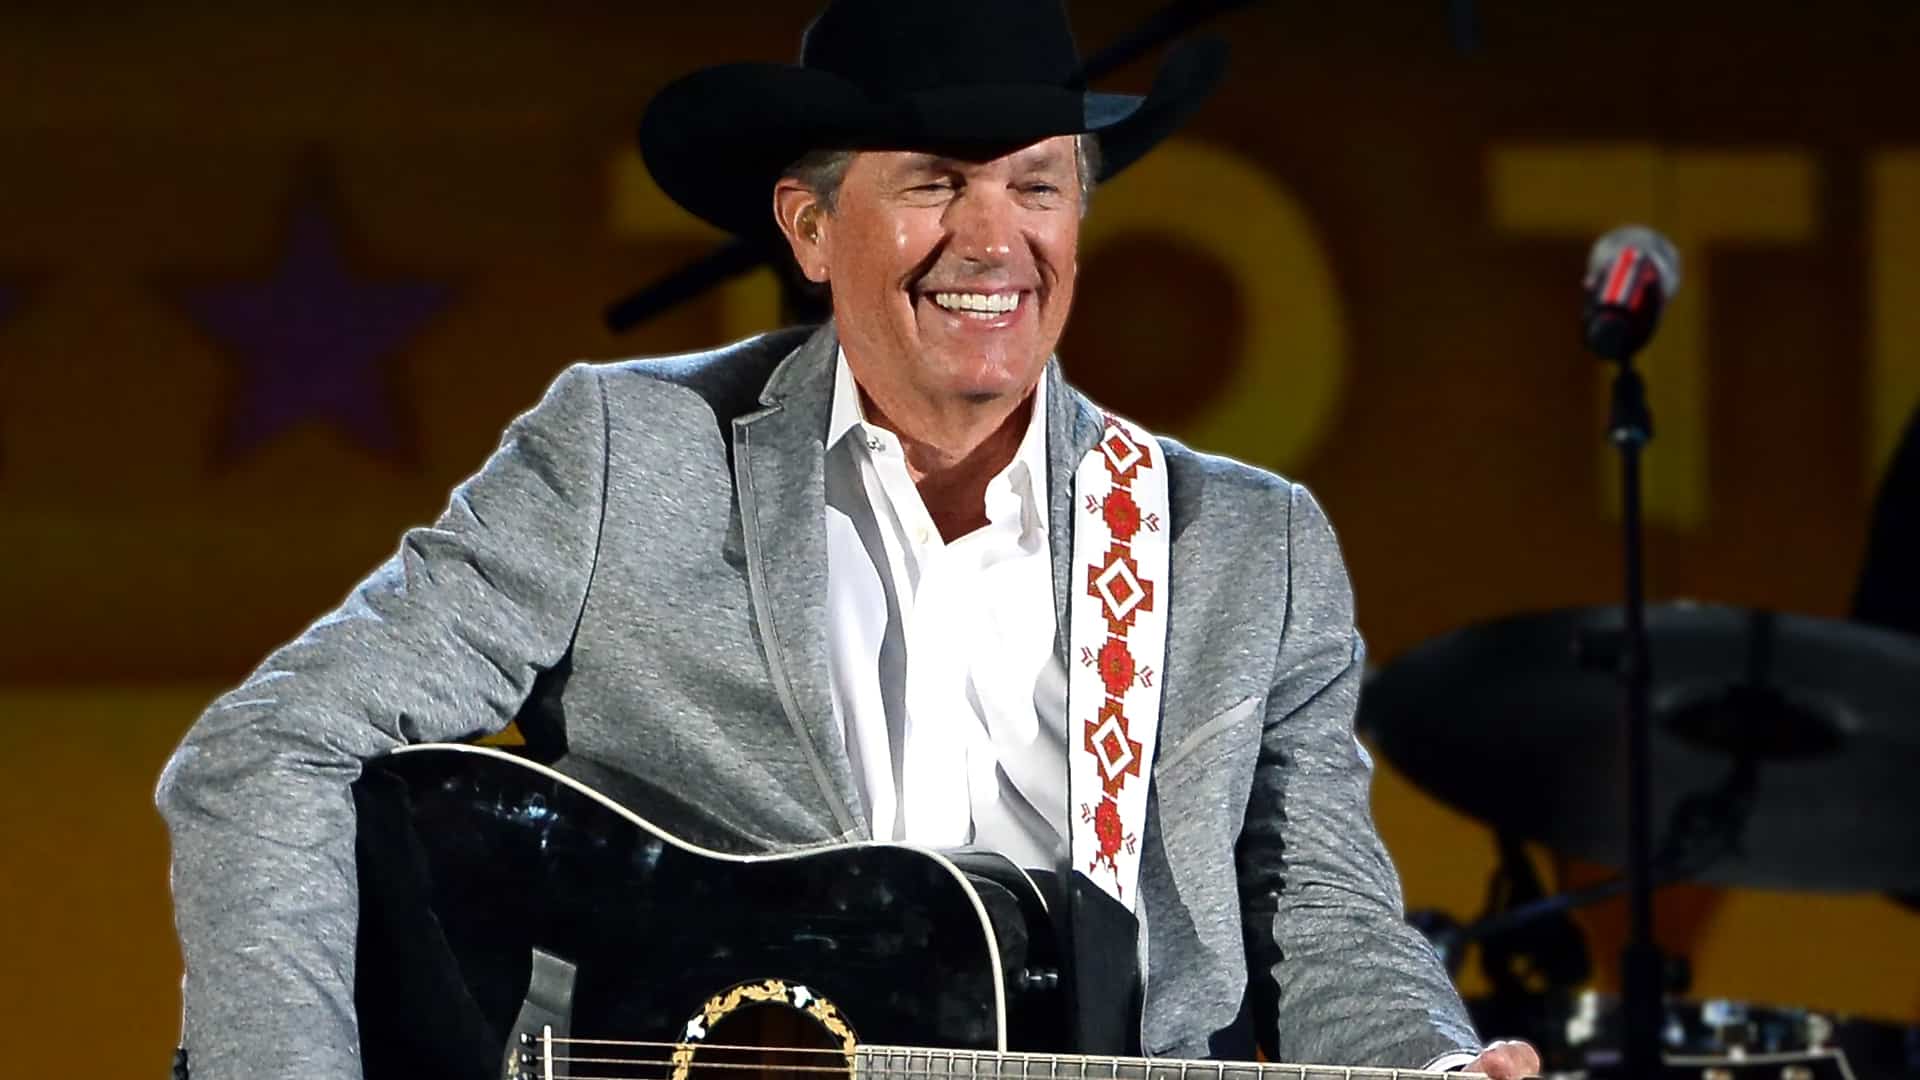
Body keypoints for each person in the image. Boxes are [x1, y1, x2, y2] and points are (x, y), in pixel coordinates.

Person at [156, 2, 1537, 1077]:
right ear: (811, 227)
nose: (996, 240)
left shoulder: (1244, 544)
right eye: (937, 183)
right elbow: (267, 751)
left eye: (1040, 185)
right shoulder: (625, 456)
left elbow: (1327, 921)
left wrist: (1427, 1060)